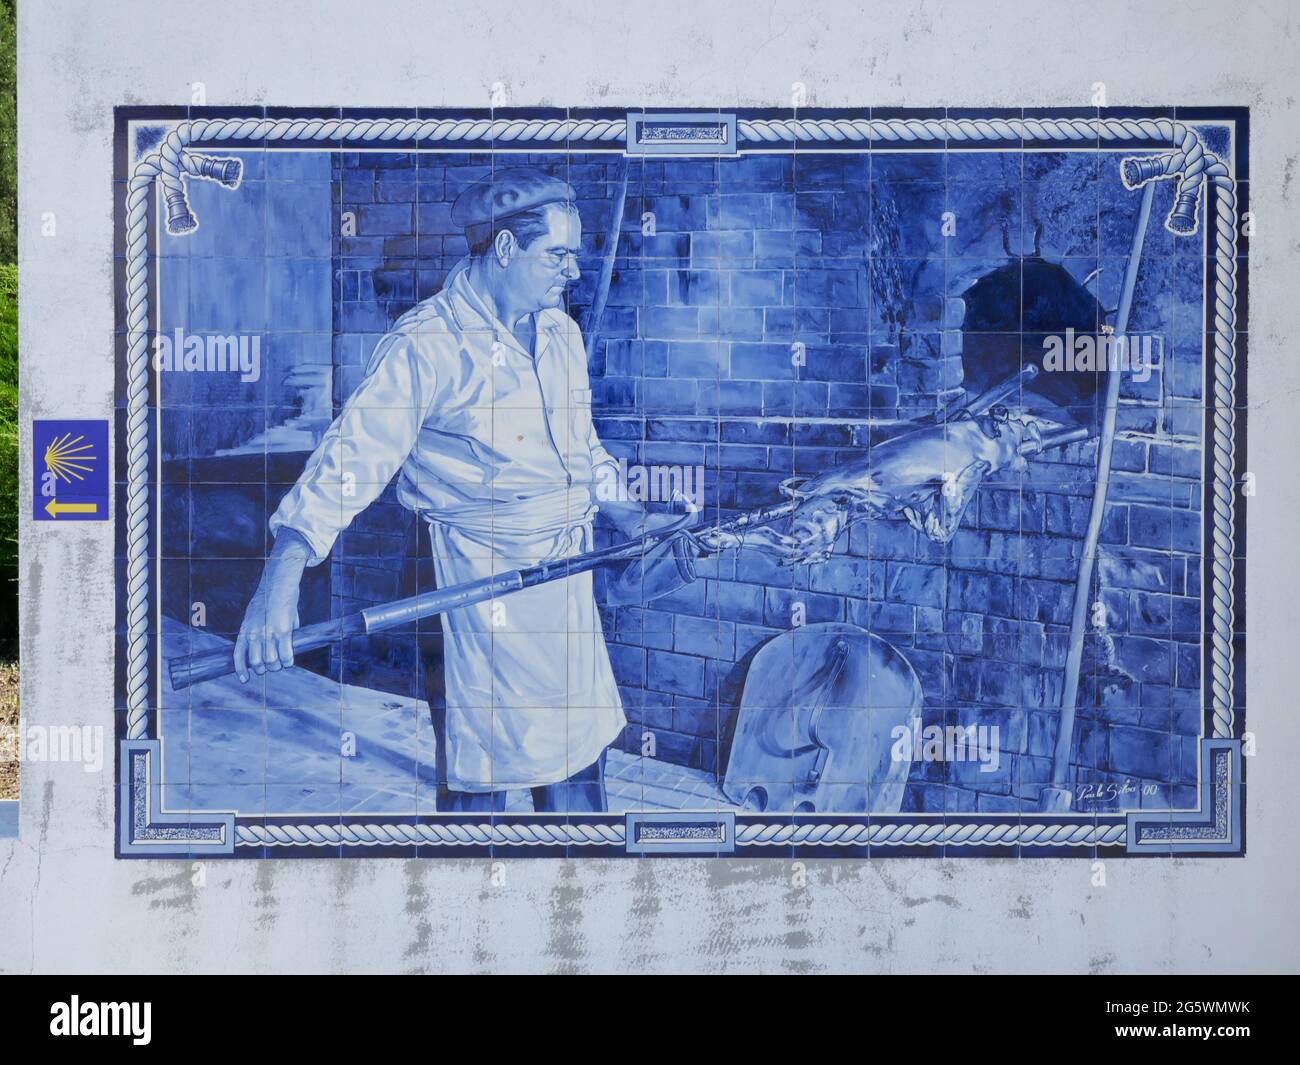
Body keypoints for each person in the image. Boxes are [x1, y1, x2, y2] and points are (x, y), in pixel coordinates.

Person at [233, 167, 670, 813]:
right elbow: (351, 457)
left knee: (577, 766)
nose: (572, 273)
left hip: (562, 581)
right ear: (503, 249)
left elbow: (582, 447)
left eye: (574, 255)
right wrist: (281, 578)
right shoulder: (426, 344)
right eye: (557, 255)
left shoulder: (560, 334)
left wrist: (630, 514)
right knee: (480, 778)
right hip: (471, 578)